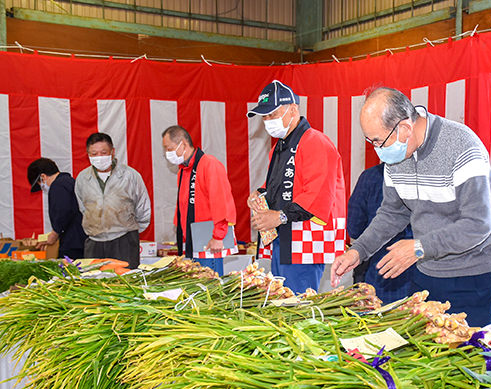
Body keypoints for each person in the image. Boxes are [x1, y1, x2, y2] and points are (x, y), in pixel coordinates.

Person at [331, 87, 491, 327]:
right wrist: (358, 251)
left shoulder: (462, 146)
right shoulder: (397, 155)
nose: (378, 150)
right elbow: (392, 213)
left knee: (472, 355)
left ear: (404, 128)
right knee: (429, 353)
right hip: (428, 272)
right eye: (370, 141)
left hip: (475, 276)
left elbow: (478, 225)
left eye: (378, 141)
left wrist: (419, 247)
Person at [247, 80, 347, 294]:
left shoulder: (315, 141)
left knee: (298, 305)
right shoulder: (281, 145)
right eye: (264, 116)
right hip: (284, 238)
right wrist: (260, 193)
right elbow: (281, 187)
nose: (267, 121)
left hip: (304, 241)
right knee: (282, 301)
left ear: (293, 109)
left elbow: (318, 196)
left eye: (272, 115)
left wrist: (279, 216)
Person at [74, 132, 151, 269]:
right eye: (94, 154)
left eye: (103, 152)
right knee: (95, 285)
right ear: (88, 155)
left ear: (112, 152)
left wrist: (130, 231)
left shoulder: (130, 176)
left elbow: (143, 208)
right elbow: (83, 208)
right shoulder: (82, 178)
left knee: (126, 284)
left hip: (124, 241)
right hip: (94, 243)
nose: (99, 157)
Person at [161, 125, 236, 258]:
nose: (167, 153)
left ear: (183, 144)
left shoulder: (209, 164)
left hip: (212, 240)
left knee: (212, 277)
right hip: (192, 238)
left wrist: (218, 236)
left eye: (170, 148)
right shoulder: (183, 171)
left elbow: (222, 202)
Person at [348, 163, 414, 303]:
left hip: (379, 269)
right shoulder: (431, 177)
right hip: (420, 268)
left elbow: (354, 227)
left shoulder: (370, 177)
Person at [26, 158, 87, 259]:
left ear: (43, 177)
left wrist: (55, 233)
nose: (42, 187)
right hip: (80, 238)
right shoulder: (68, 181)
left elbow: (63, 211)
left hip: (72, 241)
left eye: (39, 184)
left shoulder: (58, 186)